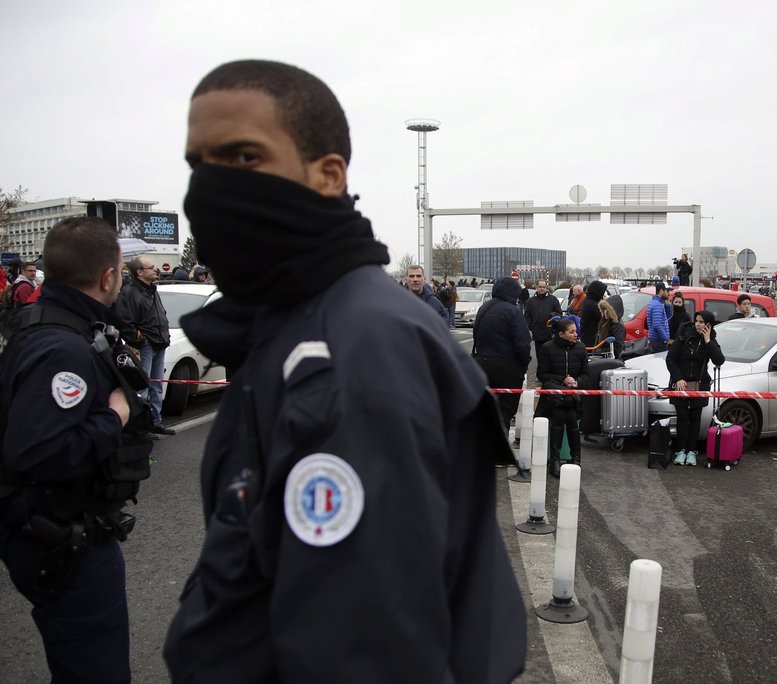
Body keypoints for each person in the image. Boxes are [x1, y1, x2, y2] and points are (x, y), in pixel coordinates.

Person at [163, 59, 525, 682]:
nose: (211, 188)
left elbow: (365, 656)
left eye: (244, 158)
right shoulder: (302, 322)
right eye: (199, 164)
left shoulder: (349, 354)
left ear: (328, 175)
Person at [0, 216, 153, 683]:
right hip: (62, 536)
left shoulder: (55, 327)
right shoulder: (64, 349)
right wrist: (115, 417)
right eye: (122, 272)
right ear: (108, 277)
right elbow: (38, 452)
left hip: (56, 528)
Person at [114, 255, 175, 436]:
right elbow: (125, 321)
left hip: (159, 343)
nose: (155, 270)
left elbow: (159, 314)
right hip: (146, 346)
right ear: (139, 272)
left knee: (156, 385)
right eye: (151, 267)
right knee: (142, 386)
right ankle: (140, 426)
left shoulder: (152, 290)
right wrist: (141, 340)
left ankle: (155, 422)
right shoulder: (130, 292)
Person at [471, 277, 531, 434]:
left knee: (484, 409)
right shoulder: (513, 310)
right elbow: (522, 343)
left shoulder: (484, 307)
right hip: (507, 368)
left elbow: (476, 334)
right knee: (505, 410)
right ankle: (498, 452)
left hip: (481, 363)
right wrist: (523, 365)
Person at [666, 310, 725, 466]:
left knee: (695, 419)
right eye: (697, 321)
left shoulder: (711, 339)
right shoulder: (684, 335)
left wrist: (707, 340)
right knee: (682, 417)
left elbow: (719, 360)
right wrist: (678, 378)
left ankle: (692, 451)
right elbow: (671, 358)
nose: (698, 324)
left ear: (709, 325)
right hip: (681, 384)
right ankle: (681, 450)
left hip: (700, 385)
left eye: (701, 322)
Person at [536, 317, 588, 477]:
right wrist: (562, 380)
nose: (576, 335)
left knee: (571, 416)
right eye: (571, 332)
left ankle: (575, 459)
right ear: (561, 334)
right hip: (554, 395)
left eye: (576, 331)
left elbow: (586, 374)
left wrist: (576, 382)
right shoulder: (547, 348)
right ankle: (556, 460)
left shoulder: (580, 348)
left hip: (573, 395)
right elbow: (542, 374)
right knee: (560, 414)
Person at [524, 279, 563, 378]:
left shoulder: (553, 300)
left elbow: (559, 314)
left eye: (544, 287)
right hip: (537, 334)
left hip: (551, 334)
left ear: (547, 287)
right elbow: (527, 316)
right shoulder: (530, 301)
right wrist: (530, 327)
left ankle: (552, 375)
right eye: (540, 287)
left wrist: (552, 316)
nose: (542, 289)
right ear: (536, 287)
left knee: (552, 356)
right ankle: (540, 377)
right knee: (540, 357)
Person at [579, 280, 608, 348]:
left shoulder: (588, 301)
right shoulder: (592, 305)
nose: (603, 295)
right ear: (597, 292)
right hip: (591, 339)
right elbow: (604, 317)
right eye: (602, 293)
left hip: (588, 336)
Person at [646, 282, 673, 353]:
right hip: (658, 341)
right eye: (667, 291)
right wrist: (665, 338)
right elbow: (657, 325)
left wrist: (668, 306)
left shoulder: (656, 303)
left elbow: (666, 318)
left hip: (656, 340)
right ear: (661, 291)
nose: (668, 293)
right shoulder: (657, 305)